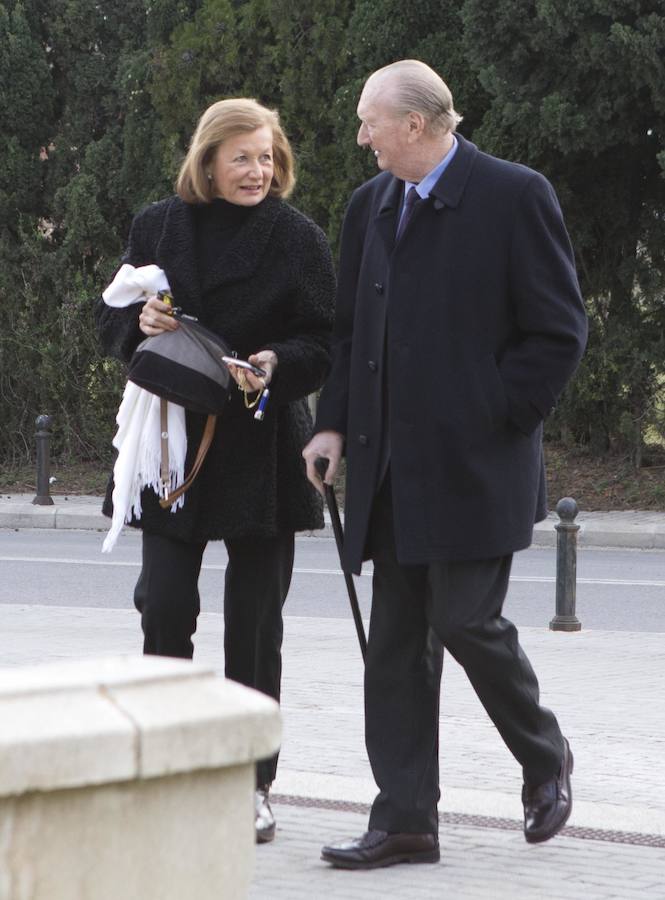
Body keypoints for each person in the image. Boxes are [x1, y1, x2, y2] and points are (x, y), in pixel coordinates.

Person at [303, 60, 587, 869]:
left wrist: (493, 416)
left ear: (416, 126)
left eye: (369, 122)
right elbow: (350, 335)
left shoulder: (512, 193)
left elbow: (557, 333)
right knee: (394, 643)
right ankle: (403, 820)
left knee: (464, 621)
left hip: (473, 466)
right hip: (386, 470)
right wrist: (332, 428)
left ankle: (544, 756)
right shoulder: (370, 205)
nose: (360, 136)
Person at [95, 98, 335, 843]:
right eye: (242, 157)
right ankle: (170, 775)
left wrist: (273, 364)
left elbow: (322, 339)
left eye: (266, 157)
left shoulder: (298, 237)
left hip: (260, 448)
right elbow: (107, 318)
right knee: (163, 607)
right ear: (207, 161)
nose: (257, 170)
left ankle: (250, 786)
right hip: (170, 445)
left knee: (255, 629)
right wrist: (139, 323)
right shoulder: (156, 225)